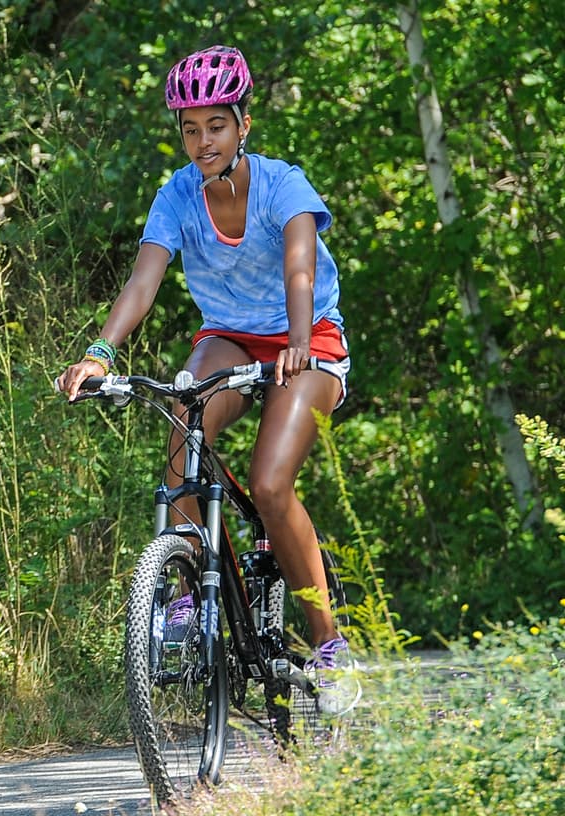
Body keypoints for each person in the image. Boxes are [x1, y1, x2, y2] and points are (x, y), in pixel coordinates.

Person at [55, 46, 359, 714]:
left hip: (307, 337)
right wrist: (99, 354)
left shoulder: (283, 186)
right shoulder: (176, 195)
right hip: (228, 335)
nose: (203, 142)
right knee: (184, 438)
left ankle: (329, 643)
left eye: (216, 126)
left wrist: (299, 344)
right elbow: (144, 280)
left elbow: (300, 269)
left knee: (270, 482)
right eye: (190, 130)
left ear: (243, 124)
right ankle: (189, 594)